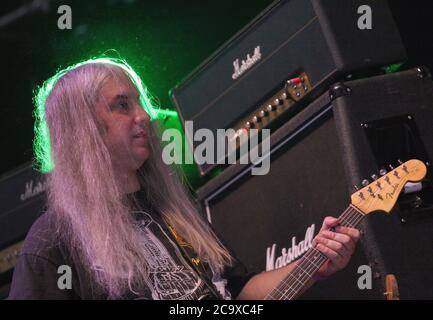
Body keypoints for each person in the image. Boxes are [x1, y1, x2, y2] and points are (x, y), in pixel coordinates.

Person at [8, 57, 360, 300]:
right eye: (122, 106)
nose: (144, 116)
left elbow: (238, 292)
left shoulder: (172, 208)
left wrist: (313, 264)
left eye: (139, 103)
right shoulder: (54, 241)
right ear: (83, 131)